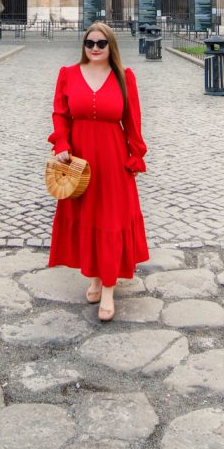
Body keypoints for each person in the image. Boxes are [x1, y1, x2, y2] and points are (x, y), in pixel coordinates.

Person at [47, 21, 150, 321]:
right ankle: (94, 276)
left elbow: (133, 120)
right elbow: (59, 113)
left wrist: (135, 155)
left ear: (110, 47)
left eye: (100, 44)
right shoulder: (68, 74)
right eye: (89, 43)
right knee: (88, 218)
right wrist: (62, 143)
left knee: (109, 220)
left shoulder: (123, 77)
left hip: (112, 158)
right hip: (79, 158)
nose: (94, 48)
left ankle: (107, 288)